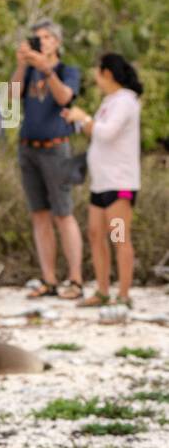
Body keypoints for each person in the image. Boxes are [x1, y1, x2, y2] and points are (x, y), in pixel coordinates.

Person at [12, 19, 84, 300]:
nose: (40, 42)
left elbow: (65, 97)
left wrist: (46, 69)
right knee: (39, 214)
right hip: (28, 147)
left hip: (56, 148)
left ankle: (75, 279)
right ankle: (48, 278)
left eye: (45, 37)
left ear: (57, 42)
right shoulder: (28, 72)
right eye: (36, 38)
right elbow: (11, 95)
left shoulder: (67, 70)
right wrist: (22, 64)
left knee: (63, 213)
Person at [65, 53, 142, 309]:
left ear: (107, 73)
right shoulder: (109, 101)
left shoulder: (126, 102)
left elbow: (107, 132)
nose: (95, 79)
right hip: (101, 184)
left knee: (119, 236)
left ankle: (124, 293)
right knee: (96, 234)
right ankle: (102, 290)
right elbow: (97, 131)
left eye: (97, 73)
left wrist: (83, 118)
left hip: (120, 185)